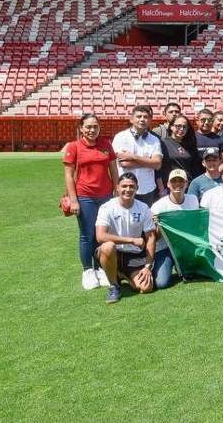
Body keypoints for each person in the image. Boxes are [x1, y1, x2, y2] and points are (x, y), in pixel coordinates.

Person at [64, 113, 119, 290]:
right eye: (88, 126)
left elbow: (114, 170)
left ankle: (100, 268)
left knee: (101, 233)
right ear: (81, 128)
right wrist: (73, 200)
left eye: (95, 126)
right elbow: (68, 175)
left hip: (106, 196)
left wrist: (117, 191)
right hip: (85, 196)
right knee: (87, 235)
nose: (92, 130)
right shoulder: (74, 147)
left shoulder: (106, 145)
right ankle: (88, 270)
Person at [95, 173, 156, 304]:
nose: (128, 190)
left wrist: (147, 266)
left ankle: (121, 274)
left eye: (131, 186)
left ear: (137, 188)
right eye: (124, 186)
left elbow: (151, 238)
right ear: (117, 187)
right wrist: (132, 240)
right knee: (108, 246)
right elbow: (100, 236)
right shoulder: (107, 207)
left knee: (146, 288)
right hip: (113, 253)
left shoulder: (143, 208)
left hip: (132, 256)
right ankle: (114, 286)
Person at [150, 169, 199, 289]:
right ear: (168, 184)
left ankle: (183, 267)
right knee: (161, 283)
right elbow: (154, 238)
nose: (178, 184)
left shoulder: (193, 200)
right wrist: (159, 226)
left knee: (192, 275)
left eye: (181, 181)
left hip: (185, 246)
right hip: (164, 248)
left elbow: (195, 226)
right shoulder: (158, 206)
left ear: (186, 184)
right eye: (174, 181)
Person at [112, 105, 162, 206]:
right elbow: (124, 163)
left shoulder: (154, 139)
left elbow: (157, 164)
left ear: (150, 120)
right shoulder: (121, 137)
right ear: (131, 119)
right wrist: (149, 162)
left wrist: (132, 156)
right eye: (139, 116)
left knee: (144, 220)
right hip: (126, 188)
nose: (142, 119)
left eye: (145, 117)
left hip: (147, 188)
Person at [157, 115, 201, 195]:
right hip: (169, 186)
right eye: (178, 126)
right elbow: (158, 168)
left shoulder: (191, 144)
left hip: (187, 186)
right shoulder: (163, 143)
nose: (181, 129)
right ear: (171, 127)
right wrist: (161, 188)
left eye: (184, 127)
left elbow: (194, 167)